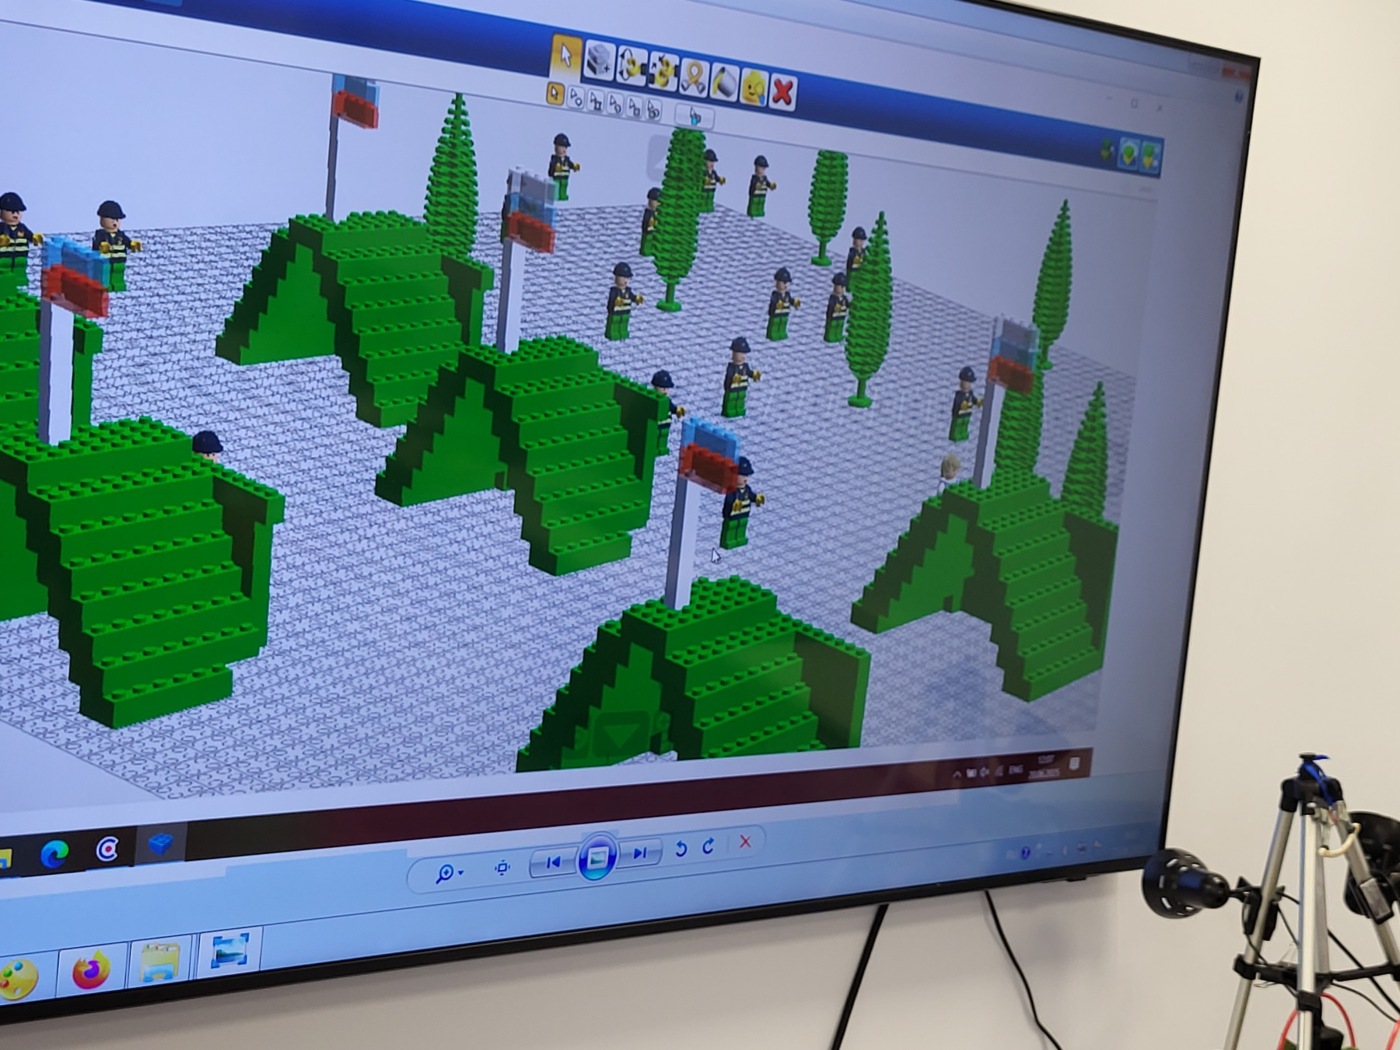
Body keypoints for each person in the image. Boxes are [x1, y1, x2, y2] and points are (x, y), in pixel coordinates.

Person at [93, 200, 142, 292]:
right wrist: (101, 246)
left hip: (119, 259)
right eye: (112, 220)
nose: (115, 223)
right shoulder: (101, 235)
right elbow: (96, 244)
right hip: (105, 261)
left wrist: (132, 244)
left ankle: (117, 284)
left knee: (118, 272)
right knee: (105, 273)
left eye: (117, 220)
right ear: (102, 220)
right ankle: (105, 284)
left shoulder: (120, 235)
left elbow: (127, 241)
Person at [0, 191, 41, 293]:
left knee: (19, 278)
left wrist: (35, 238)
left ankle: (18, 293)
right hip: (4, 260)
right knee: (4, 278)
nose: (15, 215)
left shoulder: (22, 228)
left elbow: (29, 236)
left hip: (20, 259)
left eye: (18, 212)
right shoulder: (2, 228)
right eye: (12, 212)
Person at [720, 457, 765, 549]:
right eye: (742, 476)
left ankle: (740, 538)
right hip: (732, 516)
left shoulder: (747, 489)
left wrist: (756, 498)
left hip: (744, 513)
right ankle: (729, 540)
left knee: (742, 525)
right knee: (731, 527)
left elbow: (751, 496)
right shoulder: (732, 490)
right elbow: (729, 500)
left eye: (746, 476)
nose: (745, 479)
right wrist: (734, 504)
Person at [722, 337, 760, 418]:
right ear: (733, 354)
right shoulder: (731, 367)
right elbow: (729, 376)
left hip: (742, 387)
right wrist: (733, 380)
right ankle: (729, 410)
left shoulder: (745, 366)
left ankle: (739, 409)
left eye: (744, 354)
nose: (743, 356)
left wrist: (754, 374)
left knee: (741, 398)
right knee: (731, 399)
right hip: (732, 389)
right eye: (740, 354)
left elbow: (749, 372)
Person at [605, 261, 643, 340]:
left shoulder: (628, 291)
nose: (626, 280)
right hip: (615, 312)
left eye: (627, 278)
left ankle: (623, 332)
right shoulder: (614, 291)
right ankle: (612, 333)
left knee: (624, 322)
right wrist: (616, 302)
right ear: (616, 278)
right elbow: (611, 301)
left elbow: (632, 297)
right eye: (623, 278)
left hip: (625, 311)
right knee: (614, 323)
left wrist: (637, 299)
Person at [650, 370, 684, 455]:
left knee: (663, 439)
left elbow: (672, 408)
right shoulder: (652, 401)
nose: (666, 391)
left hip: (665, 426)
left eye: (667, 389)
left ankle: (661, 448)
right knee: (654, 439)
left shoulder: (667, 401)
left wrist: (677, 410)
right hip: (655, 427)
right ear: (655, 387)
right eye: (663, 388)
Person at [766, 266, 800, 341]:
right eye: (783, 282)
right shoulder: (775, 294)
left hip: (784, 313)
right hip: (776, 314)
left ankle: (782, 332)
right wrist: (777, 304)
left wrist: (795, 303)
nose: (786, 285)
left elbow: (790, 300)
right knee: (775, 323)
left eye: (787, 283)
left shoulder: (787, 294)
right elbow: (774, 302)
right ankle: (773, 333)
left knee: (783, 322)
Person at [949, 365, 982, 442]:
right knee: (958, 425)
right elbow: (957, 403)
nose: (968, 384)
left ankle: (963, 435)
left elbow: (973, 399)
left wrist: (978, 402)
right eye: (966, 382)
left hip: (967, 413)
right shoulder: (959, 395)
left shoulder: (970, 393)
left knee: (965, 425)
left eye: (969, 382)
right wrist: (961, 406)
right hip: (959, 415)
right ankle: (955, 436)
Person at [547, 133, 579, 201]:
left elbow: (570, 164)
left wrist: (574, 167)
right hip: (557, 179)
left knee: (564, 186)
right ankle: (556, 196)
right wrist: (555, 169)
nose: (564, 150)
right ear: (556, 147)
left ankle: (563, 196)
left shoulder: (566, 160)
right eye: (562, 147)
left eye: (565, 148)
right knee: (556, 187)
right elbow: (550, 172)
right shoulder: (554, 160)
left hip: (564, 178)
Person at [824, 272, 849, 342]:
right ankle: (830, 337)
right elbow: (831, 306)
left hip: (841, 316)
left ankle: (838, 336)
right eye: (840, 287)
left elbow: (848, 304)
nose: (842, 289)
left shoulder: (844, 298)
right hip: (833, 317)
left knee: (840, 327)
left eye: (843, 287)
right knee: (832, 327)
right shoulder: (833, 298)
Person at [701, 148, 725, 212]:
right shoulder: (703, 172)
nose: (712, 164)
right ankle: (703, 207)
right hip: (705, 190)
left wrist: (720, 180)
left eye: (713, 162)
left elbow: (717, 178)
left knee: (710, 198)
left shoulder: (713, 172)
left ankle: (709, 207)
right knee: (704, 198)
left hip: (712, 189)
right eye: (710, 162)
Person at [640, 187, 660, 255]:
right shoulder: (648, 213)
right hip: (649, 233)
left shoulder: (658, 213)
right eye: (656, 201)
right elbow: (645, 224)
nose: (658, 204)